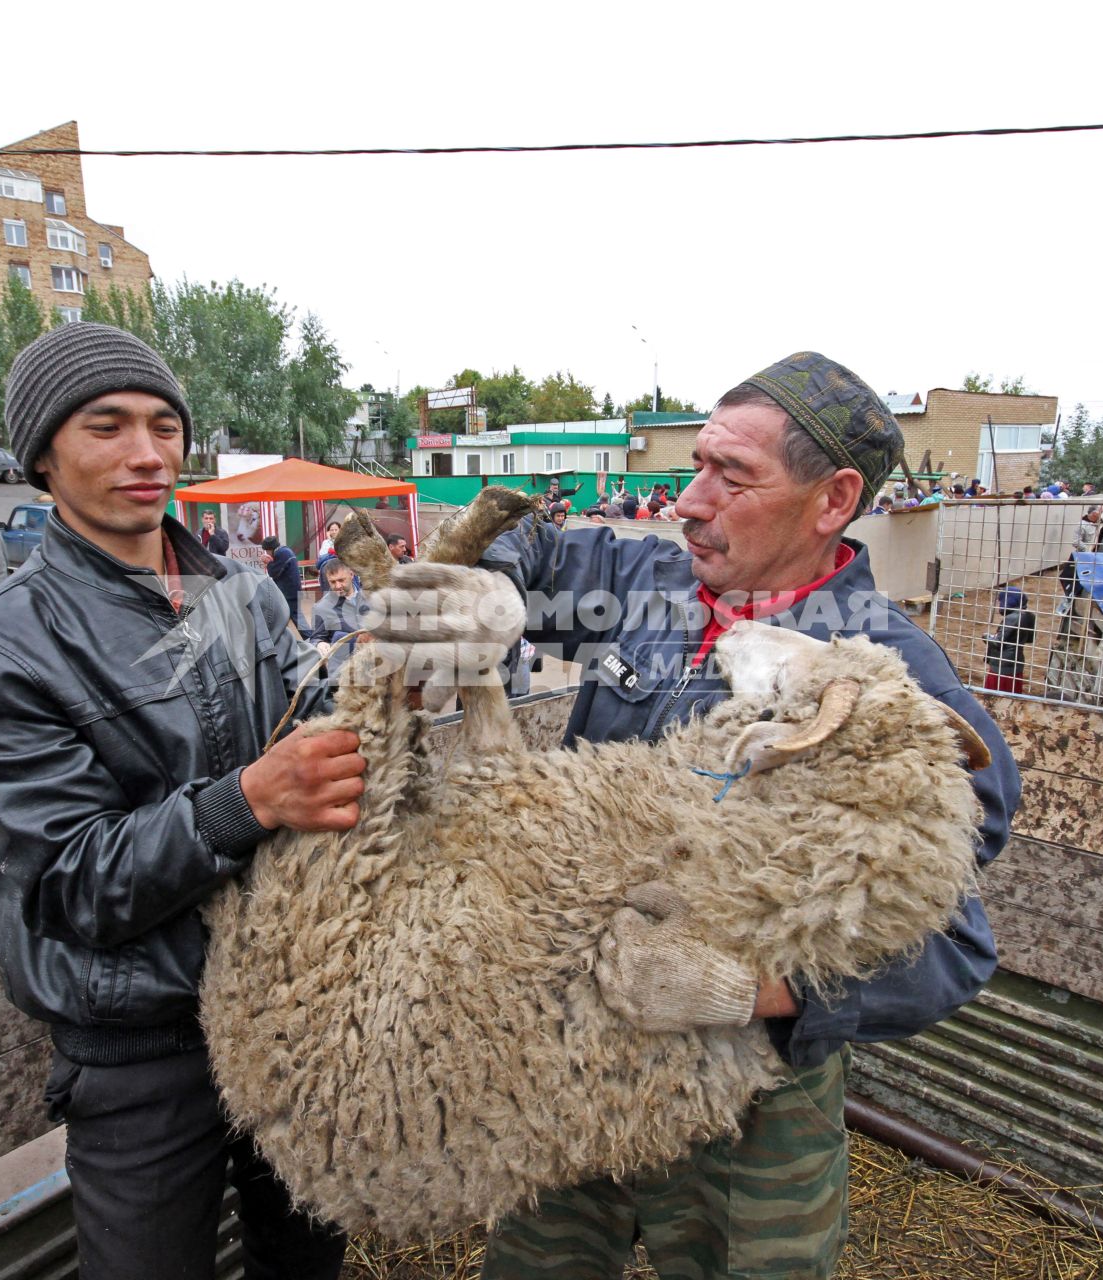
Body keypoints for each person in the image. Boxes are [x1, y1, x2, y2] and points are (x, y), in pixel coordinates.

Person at [364, 351, 1017, 1279]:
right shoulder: (651, 586)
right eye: (698, 464)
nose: (689, 500)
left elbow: (955, 944)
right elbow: (537, 550)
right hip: (571, 1049)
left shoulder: (892, 691)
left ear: (832, 500)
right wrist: (492, 593)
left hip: (746, 1104)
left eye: (733, 475)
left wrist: (762, 994)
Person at [0, 322, 357, 1280]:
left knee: (307, 1260)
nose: (146, 454)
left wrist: (395, 679)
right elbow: (70, 884)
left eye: (165, 426)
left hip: (291, 1008)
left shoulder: (244, 597)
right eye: (106, 427)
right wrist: (247, 800)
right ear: (41, 454)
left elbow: (317, 717)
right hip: (143, 1047)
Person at [983, 587, 1038, 694]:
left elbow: (998, 643)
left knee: (993, 698)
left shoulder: (1011, 618)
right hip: (1016, 664)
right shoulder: (1029, 616)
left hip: (1002, 666)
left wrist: (986, 637)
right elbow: (1030, 639)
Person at [309, 558, 365, 658]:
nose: (338, 586)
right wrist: (319, 644)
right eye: (333, 582)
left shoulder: (370, 597)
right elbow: (315, 638)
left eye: (341, 580)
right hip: (346, 663)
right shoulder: (322, 608)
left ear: (351, 575)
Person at [262, 534, 304, 626]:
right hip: (293, 591)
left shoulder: (281, 553)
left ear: (271, 548)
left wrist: (267, 563)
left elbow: (273, 573)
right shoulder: (285, 550)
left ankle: (311, 638)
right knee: (289, 618)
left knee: (287, 619)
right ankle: (310, 638)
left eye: (267, 550)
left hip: (289, 593)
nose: (267, 553)